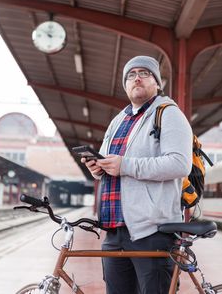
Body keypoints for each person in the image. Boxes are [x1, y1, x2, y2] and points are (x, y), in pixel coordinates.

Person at [81, 55, 192, 294]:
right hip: (113, 230)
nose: (137, 78)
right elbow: (110, 164)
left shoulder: (168, 113)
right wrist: (98, 169)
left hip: (151, 231)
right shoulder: (117, 121)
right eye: (131, 75)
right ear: (125, 85)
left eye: (145, 73)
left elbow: (180, 164)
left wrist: (125, 165)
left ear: (157, 83)